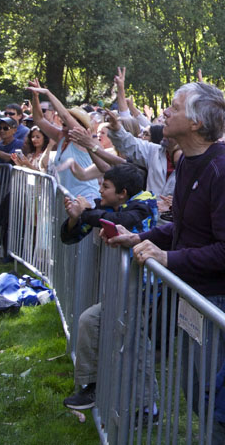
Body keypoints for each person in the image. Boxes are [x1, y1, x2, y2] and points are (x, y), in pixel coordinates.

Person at [105, 81, 225, 438]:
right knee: (200, 399)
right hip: (192, 297)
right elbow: (183, 228)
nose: (165, 112)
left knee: (218, 409)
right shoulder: (188, 164)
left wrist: (168, 259)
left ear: (196, 124)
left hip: (219, 304)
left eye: (174, 107)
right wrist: (140, 237)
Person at [61, 164, 157, 411]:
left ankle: (147, 407)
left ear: (122, 192)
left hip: (145, 291)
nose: (100, 190)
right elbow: (71, 236)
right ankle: (92, 387)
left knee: (135, 345)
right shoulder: (108, 206)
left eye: (105, 186)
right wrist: (76, 218)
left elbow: (123, 220)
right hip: (123, 288)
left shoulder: (144, 202)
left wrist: (86, 213)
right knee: (90, 321)